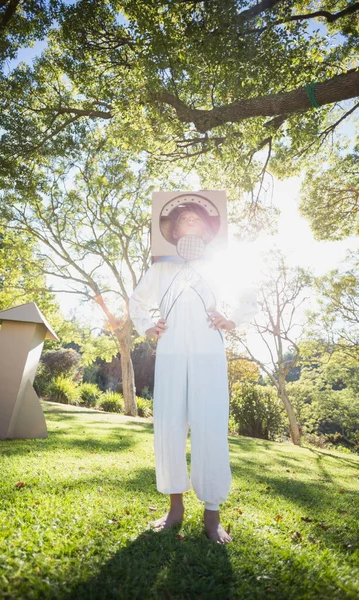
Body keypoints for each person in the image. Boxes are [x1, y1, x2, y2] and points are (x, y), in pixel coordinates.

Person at [129, 207, 258, 544]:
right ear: (171, 230)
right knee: (169, 423)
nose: (190, 219)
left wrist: (231, 321)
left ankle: (212, 514)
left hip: (209, 352)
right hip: (170, 350)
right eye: (183, 217)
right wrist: (147, 326)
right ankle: (175, 508)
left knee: (210, 424)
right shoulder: (160, 267)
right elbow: (137, 301)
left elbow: (248, 294)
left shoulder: (220, 266)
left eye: (197, 217)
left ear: (208, 229)